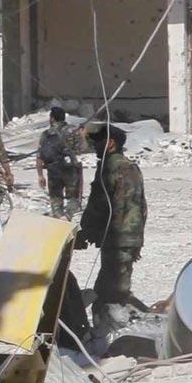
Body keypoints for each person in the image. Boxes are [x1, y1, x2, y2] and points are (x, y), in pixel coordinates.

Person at [76, 124, 146, 319]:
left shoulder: (109, 167)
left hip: (116, 238)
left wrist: (86, 232)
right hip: (128, 238)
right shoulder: (131, 166)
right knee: (112, 286)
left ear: (111, 143)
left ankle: (116, 333)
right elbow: (142, 207)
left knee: (112, 294)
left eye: (98, 141)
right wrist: (137, 239)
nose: (94, 145)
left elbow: (99, 205)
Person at [36, 106, 83, 220]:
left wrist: (40, 175)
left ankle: (58, 220)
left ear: (52, 118)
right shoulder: (73, 130)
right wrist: (83, 136)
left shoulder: (46, 134)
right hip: (70, 169)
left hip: (53, 170)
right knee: (73, 198)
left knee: (55, 199)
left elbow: (39, 156)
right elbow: (82, 148)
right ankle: (68, 217)